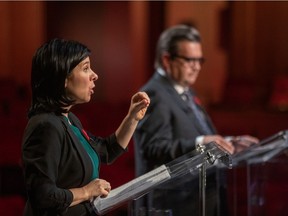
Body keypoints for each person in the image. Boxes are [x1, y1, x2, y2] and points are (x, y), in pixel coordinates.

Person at [133, 25, 258, 216]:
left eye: (199, 60)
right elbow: (153, 148)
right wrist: (201, 143)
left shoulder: (186, 91)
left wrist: (229, 142)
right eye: (190, 60)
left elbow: (201, 135)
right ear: (167, 59)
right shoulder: (154, 94)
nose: (197, 66)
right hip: (175, 204)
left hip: (201, 199)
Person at [21, 38, 150, 216]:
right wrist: (87, 192)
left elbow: (106, 150)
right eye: (85, 68)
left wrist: (133, 117)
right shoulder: (45, 126)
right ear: (63, 78)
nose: (94, 75)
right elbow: (43, 196)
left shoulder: (69, 119)